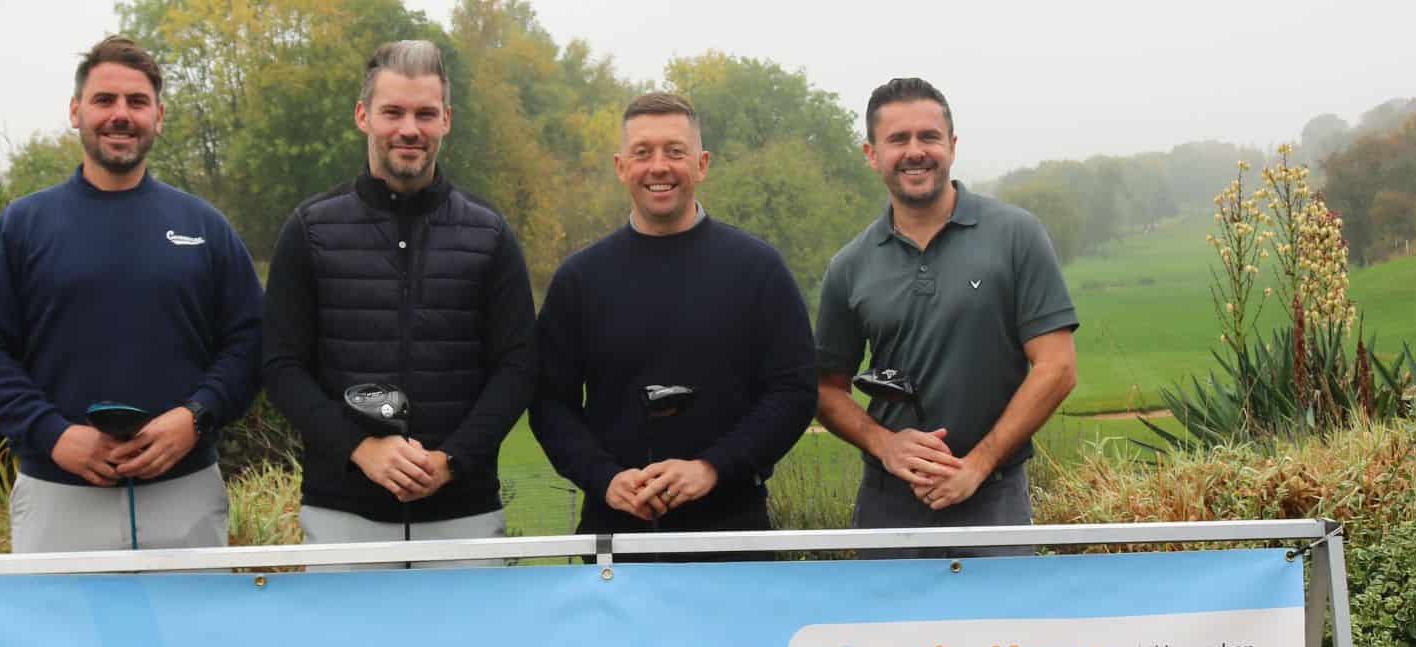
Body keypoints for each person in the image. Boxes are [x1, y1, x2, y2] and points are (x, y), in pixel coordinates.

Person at [0, 35, 262, 555]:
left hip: (184, 493)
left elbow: (251, 343)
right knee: (59, 640)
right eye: (104, 100)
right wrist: (51, 433)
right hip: (58, 494)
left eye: (137, 103)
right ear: (76, 112)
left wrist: (196, 418)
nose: (121, 115)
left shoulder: (204, 227)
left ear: (158, 117)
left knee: (187, 637)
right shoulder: (22, 226)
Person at [262, 40, 535, 570]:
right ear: (364, 115)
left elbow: (518, 367)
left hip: (465, 518)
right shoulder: (309, 230)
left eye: (425, 113)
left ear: (446, 121)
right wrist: (360, 450)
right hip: (344, 515)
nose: (410, 128)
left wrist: (450, 461)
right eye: (394, 111)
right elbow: (281, 365)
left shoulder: (491, 233)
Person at [529, 92, 816, 556]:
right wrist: (605, 479)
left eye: (674, 152)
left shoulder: (758, 269)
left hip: (734, 534)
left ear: (701, 164)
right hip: (614, 535)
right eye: (642, 153)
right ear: (621, 167)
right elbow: (548, 403)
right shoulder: (580, 279)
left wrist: (711, 468)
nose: (658, 167)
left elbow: (794, 391)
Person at [814, 77, 1078, 558]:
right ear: (871, 154)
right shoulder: (848, 266)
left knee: (1001, 634)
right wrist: (886, 446)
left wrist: (977, 464)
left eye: (928, 137)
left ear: (952, 147)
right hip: (887, 506)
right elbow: (826, 389)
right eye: (898, 139)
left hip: (993, 498)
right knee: (886, 635)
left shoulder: (1016, 236)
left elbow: (1057, 368)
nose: (916, 151)